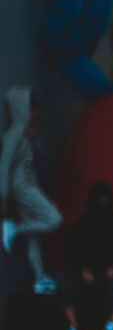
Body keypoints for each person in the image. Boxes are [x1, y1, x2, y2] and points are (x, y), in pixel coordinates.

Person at [0, 86, 62, 295]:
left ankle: (39, 279)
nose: (35, 113)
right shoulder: (15, 133)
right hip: (23, 187)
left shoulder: (27, 131)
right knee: (54, 218)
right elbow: (4, 163)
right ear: (24, 108)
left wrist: (35, 140)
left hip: (27, 184)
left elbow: (41, 160)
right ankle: (15, 228)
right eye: (32, 108)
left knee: (34, 239)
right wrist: (4, 196)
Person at [62, 181, 113, 330]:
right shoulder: (82, 224)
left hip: (112, 274)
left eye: (105, 200)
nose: (102, 204)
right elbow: (69, 253)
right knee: (63, 281)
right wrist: (81, 270)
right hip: (86, 273)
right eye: (98, 200)